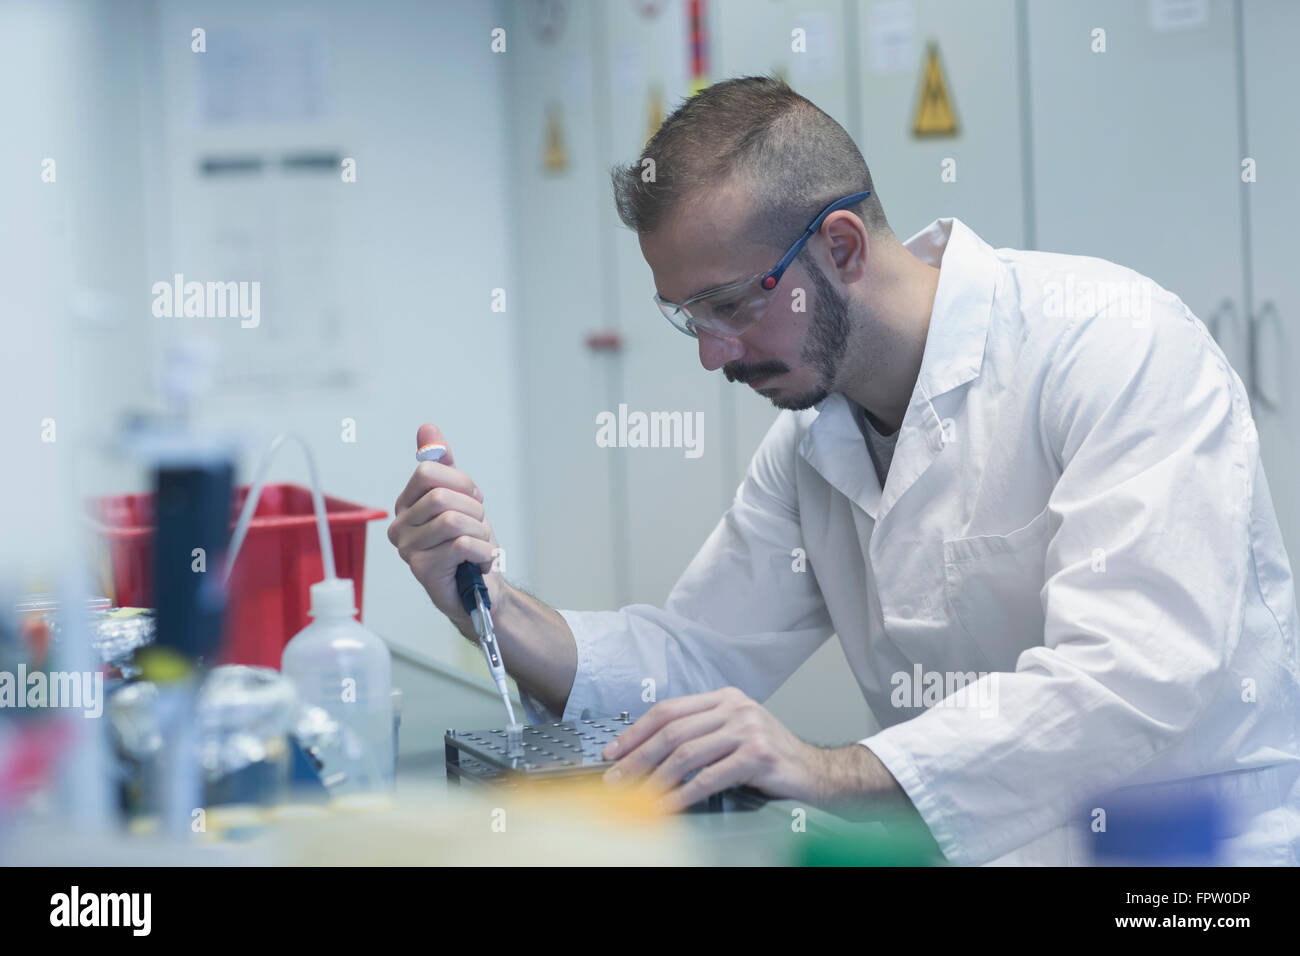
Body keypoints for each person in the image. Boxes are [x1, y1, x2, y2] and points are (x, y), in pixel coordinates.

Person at [388, 76, 1300, 865]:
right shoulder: (814, 445)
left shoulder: (1112, 346)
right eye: (685, 316)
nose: (712, 355)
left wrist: (829, 771)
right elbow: (691, 660)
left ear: (843, 249)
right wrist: (487, 601)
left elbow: (1133, 677)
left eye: (729, 305)